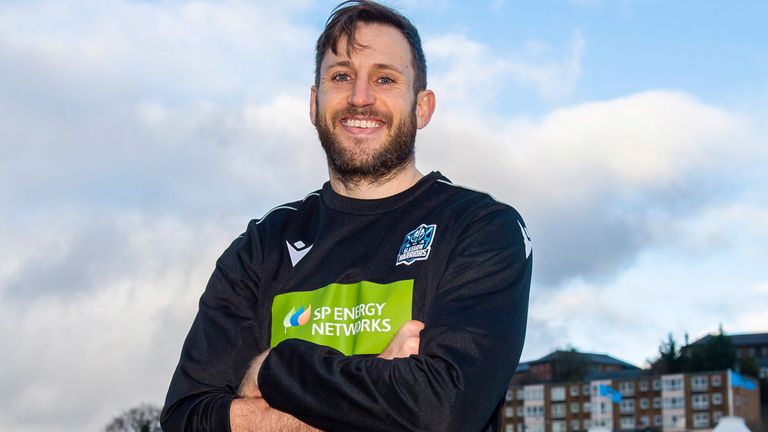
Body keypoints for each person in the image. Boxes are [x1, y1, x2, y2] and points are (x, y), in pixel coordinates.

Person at [161, 1, 532, 431]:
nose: (360, 97)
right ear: (316, 103)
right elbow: (185, 419)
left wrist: (269, 370)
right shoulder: (261, 247)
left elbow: (439, 412)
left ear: (422, 107)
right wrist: (378, 395)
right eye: (341, 76)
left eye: (385, 78)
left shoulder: (480, 228)